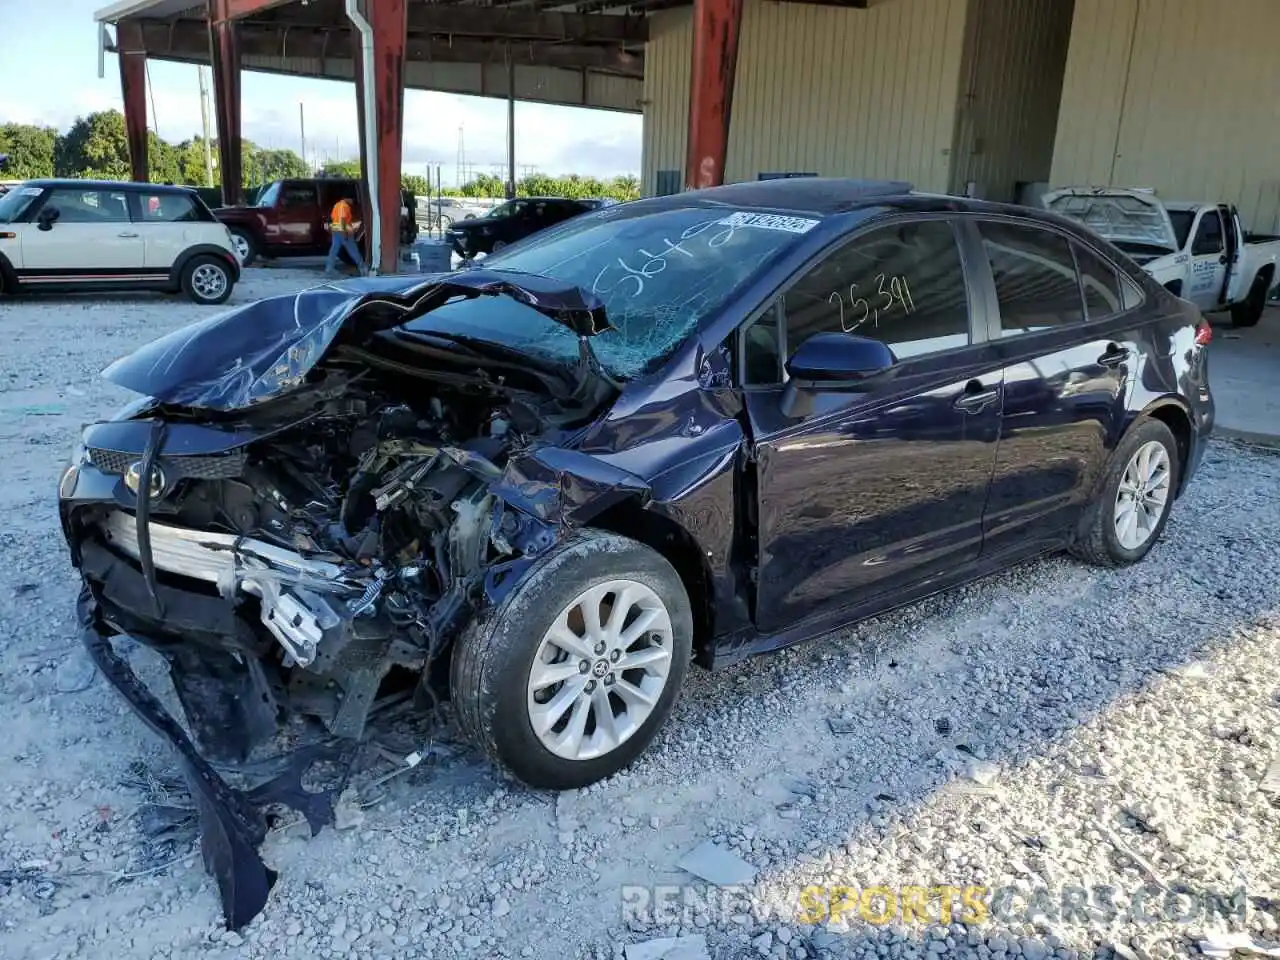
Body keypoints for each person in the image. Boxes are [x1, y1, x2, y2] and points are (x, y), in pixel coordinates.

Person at [324, 193, 366, 277]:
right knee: (353, 249)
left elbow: (333, 218)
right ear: (348, 199)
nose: (352, 202)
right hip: (343, 230)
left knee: (334, 250)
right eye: (352, 200)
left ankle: (329, 269)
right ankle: (362, 267)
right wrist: (345, 232)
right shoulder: (344, 206)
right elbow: (342, 219)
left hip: (336, 229)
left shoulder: (337, 205)